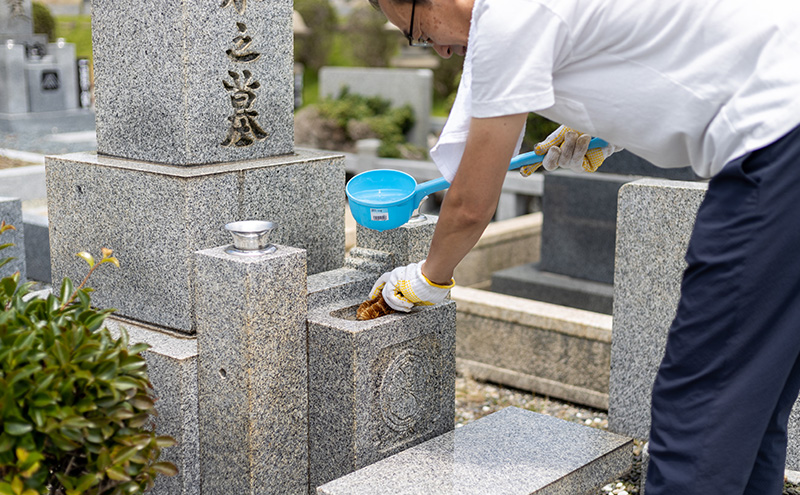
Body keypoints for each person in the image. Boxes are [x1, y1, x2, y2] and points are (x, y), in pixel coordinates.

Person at [365, 0, 800, 493]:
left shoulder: (504, 18)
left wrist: (428, 277)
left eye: (418, 33)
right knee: (752, 406)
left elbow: (469, 202)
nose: (440, 50)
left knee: (698, 410)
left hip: (778, 149)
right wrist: (598, 126)